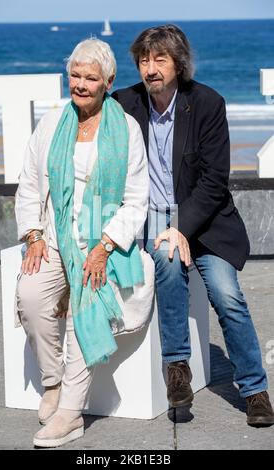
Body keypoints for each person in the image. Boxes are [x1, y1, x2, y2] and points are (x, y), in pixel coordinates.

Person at [112, 24, 274, 427]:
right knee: (167, 263)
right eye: (144, 60)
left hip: (205, 220)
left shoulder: (206, 103)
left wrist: (182, 226)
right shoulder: (124, 103)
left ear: (178, 64)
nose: (150, 68)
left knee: (227, 294)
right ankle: (177, 372)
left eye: (159, 59)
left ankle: (254, 390)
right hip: (152, 217)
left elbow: (215, 180)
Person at [15, 38, 150, 447]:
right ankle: (52, 382)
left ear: (108, 82)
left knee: (86, 309)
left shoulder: (125, 129)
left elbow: (136, 197)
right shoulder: (52, 125)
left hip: (100, 241)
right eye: (75, 74)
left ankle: (71, 413)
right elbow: (30, 184)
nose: (81, 84)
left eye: (90, 77)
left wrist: (104, 245)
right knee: (31, 296)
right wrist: (34, 235)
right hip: (56, 239)